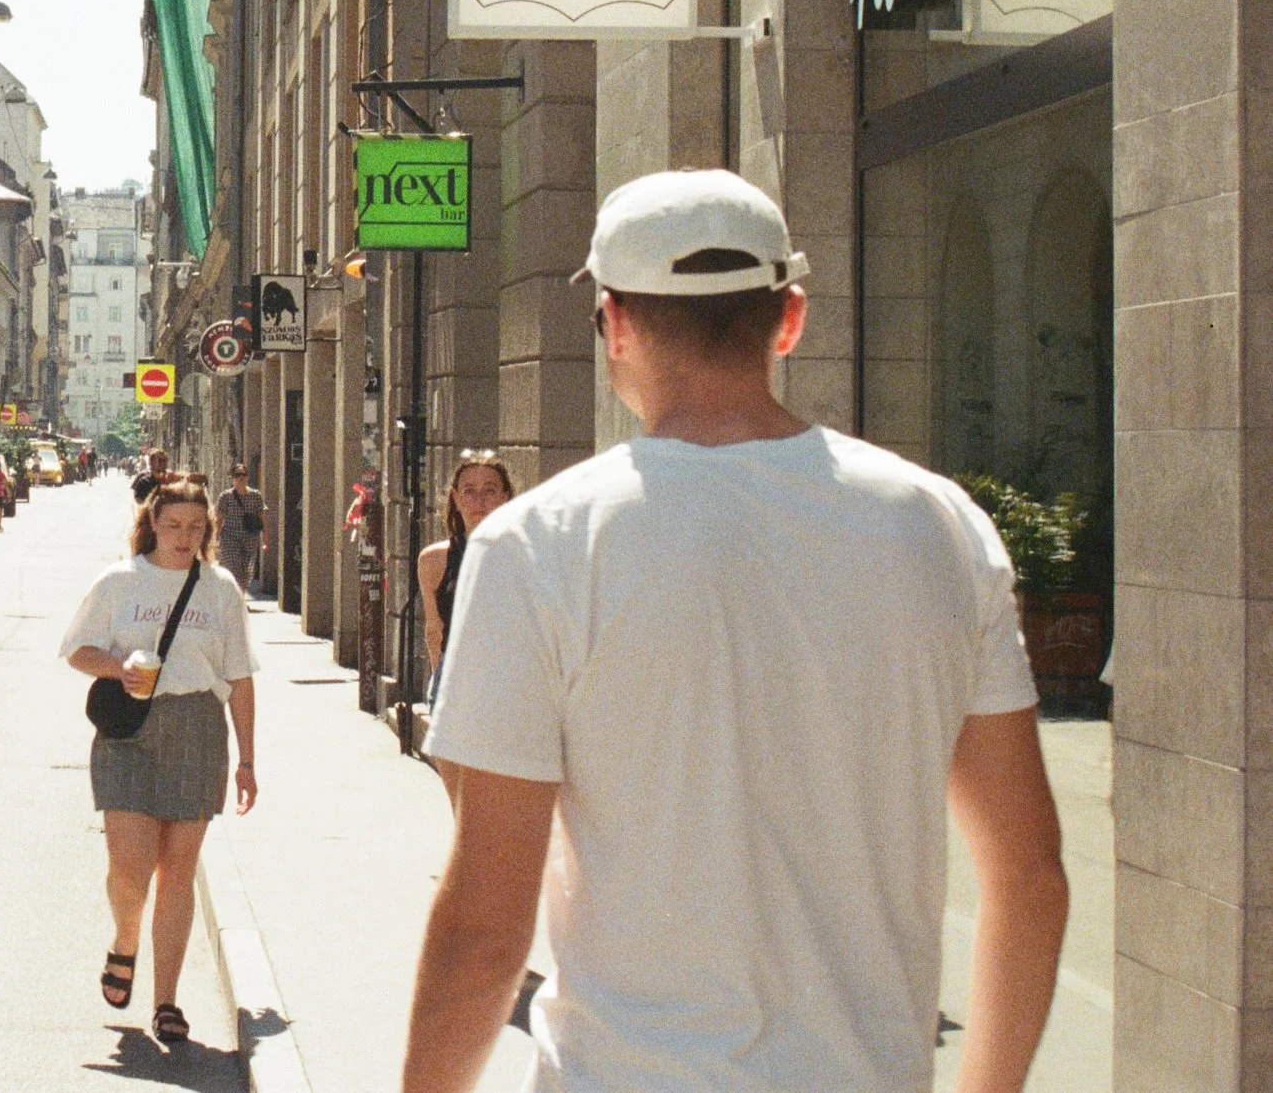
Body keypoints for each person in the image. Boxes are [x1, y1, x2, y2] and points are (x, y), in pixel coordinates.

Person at [402, 170, 1067, 1093]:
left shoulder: (538, 546)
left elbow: (485, 926)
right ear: (788, 319)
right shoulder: (940, 526)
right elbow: (1029, 876)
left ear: (615, 325)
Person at [61, 475, 257, 1047]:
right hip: (130, 731)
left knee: (178, 871)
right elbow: (78, 651)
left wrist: (248, 760)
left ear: (207, 531)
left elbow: (240, 679)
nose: (182, 536)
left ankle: (166, 1001)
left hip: (197, 727)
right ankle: (126, 939)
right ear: (151, 524)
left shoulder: (220, 589)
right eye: (172, 525)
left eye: (195, 527)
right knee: (131, 867)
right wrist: (117, 668)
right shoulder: (120, 581)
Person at [414, 451, 514, 777]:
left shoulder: (523, 556)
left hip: (508, 681)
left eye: (489, 490)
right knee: (459, 798)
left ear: (505, 497)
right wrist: (438, 692)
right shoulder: (434, 561)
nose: (479, 500)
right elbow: (434, 630)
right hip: (453, 679)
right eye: (469, 491)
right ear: (455, 499)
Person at [213, 462, 267, 595]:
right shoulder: (226, 496)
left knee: (246, 571)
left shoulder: (256, 496)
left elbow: (262, 517)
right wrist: (215, 539)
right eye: (237, 475)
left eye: (243, 475)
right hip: (230, 537)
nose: (240, 478)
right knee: (233, 567)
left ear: (248, 477)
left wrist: (266, 539)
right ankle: (235, 596)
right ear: (232, 478)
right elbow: (219, 519)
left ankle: (240, 596)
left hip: (250, 538)